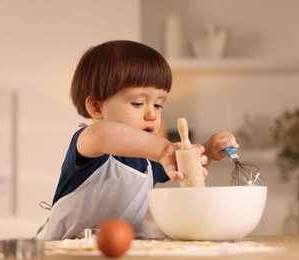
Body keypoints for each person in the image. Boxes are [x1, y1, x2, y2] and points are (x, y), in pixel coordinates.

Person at [44, 40, 238, 240]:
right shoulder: (89, 142)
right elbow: (104, 134)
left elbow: (178, 159)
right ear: (96, 107)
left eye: (158, 105)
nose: (152, 115)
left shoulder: (149, 160)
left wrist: (207, 150)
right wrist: (163, 150)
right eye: (138, 103)